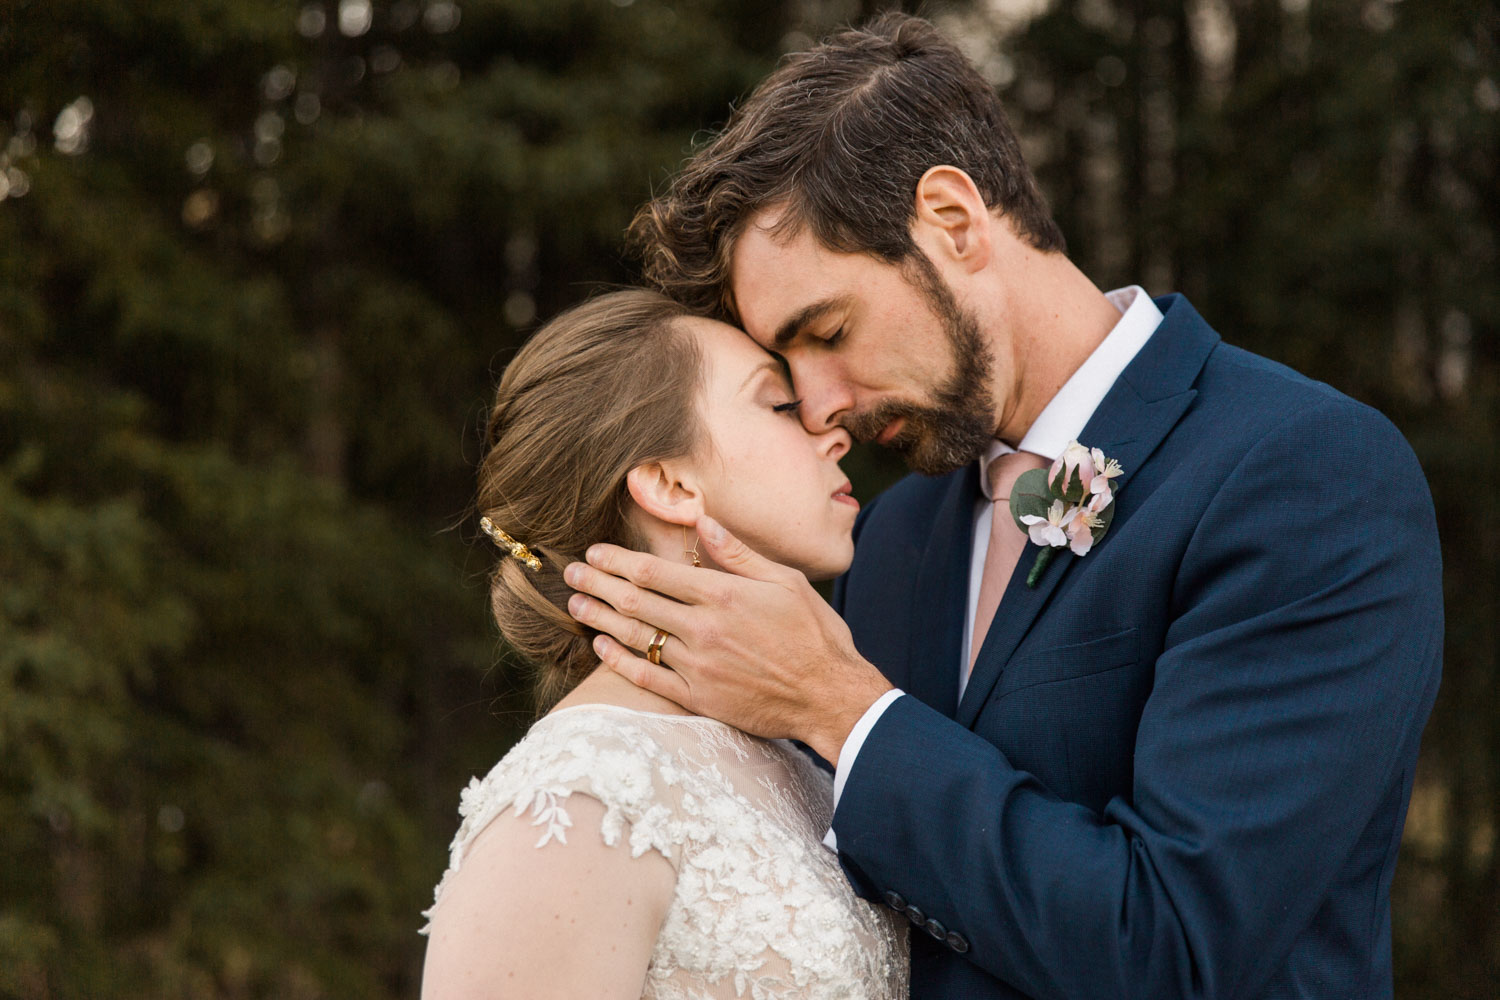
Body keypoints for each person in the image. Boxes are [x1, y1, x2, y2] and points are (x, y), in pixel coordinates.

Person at [563, 13, 1444, 999]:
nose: (820, 407)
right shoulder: (893, 538)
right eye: (787, 365)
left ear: (952, 220)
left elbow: (1180, 947)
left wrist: (843, 709)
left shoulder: (1302, 472)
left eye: (829, 330)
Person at [419, 289, 907, 999]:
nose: (832, 430)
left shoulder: (799, 759)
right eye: (777, 404)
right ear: (671, 484)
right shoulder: (575, 800)